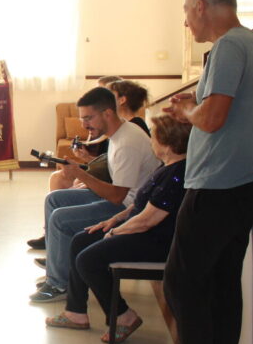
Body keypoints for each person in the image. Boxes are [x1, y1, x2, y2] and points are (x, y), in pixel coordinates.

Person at [147, 0, 253, 344]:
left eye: (187, 12)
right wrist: (196, 107)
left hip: (219, 183)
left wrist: (189, 110)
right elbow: (226, 110)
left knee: (182, 280)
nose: (187, 22)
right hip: (248, 179)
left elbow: (214, 118)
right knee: (221, 283)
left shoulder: (227, 47)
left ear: (201, 5)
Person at [44, 115, 191, 344]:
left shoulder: (177, 174)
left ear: (166, 143)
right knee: (81, 239)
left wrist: (115, 232)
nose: (151, 141)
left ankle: (124, 316)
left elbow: (148, 220)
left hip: (154, 240)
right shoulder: (166, 167)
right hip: (140, 230)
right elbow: (140, 204)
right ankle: (76, 312)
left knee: (88, 260)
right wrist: (114, 220)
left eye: (154, 137)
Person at [30, 87, 160, 303]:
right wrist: (83, 177)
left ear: (107, 113)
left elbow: (117, 197)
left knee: (61, 218)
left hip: (128, 208)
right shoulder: (118, 134)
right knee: (54, 199)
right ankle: (58, 270)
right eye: (82, 118)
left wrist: (81, 175)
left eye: (88, 118)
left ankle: (59, 284)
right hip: (119, 198)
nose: (84, 125)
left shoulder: (127, 143)